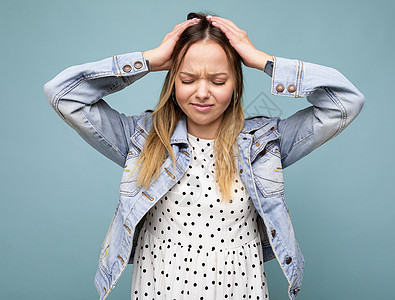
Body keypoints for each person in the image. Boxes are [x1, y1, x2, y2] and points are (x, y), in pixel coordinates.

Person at [44, 12, 364, 300]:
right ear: (172, 81)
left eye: (218, 80)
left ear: (235, 83)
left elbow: (344, 103)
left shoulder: (264, 145)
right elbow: (64, 94)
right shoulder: (141, 141)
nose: (201, 92)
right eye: (187, 79)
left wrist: (261, 60)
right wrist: (150, 60)